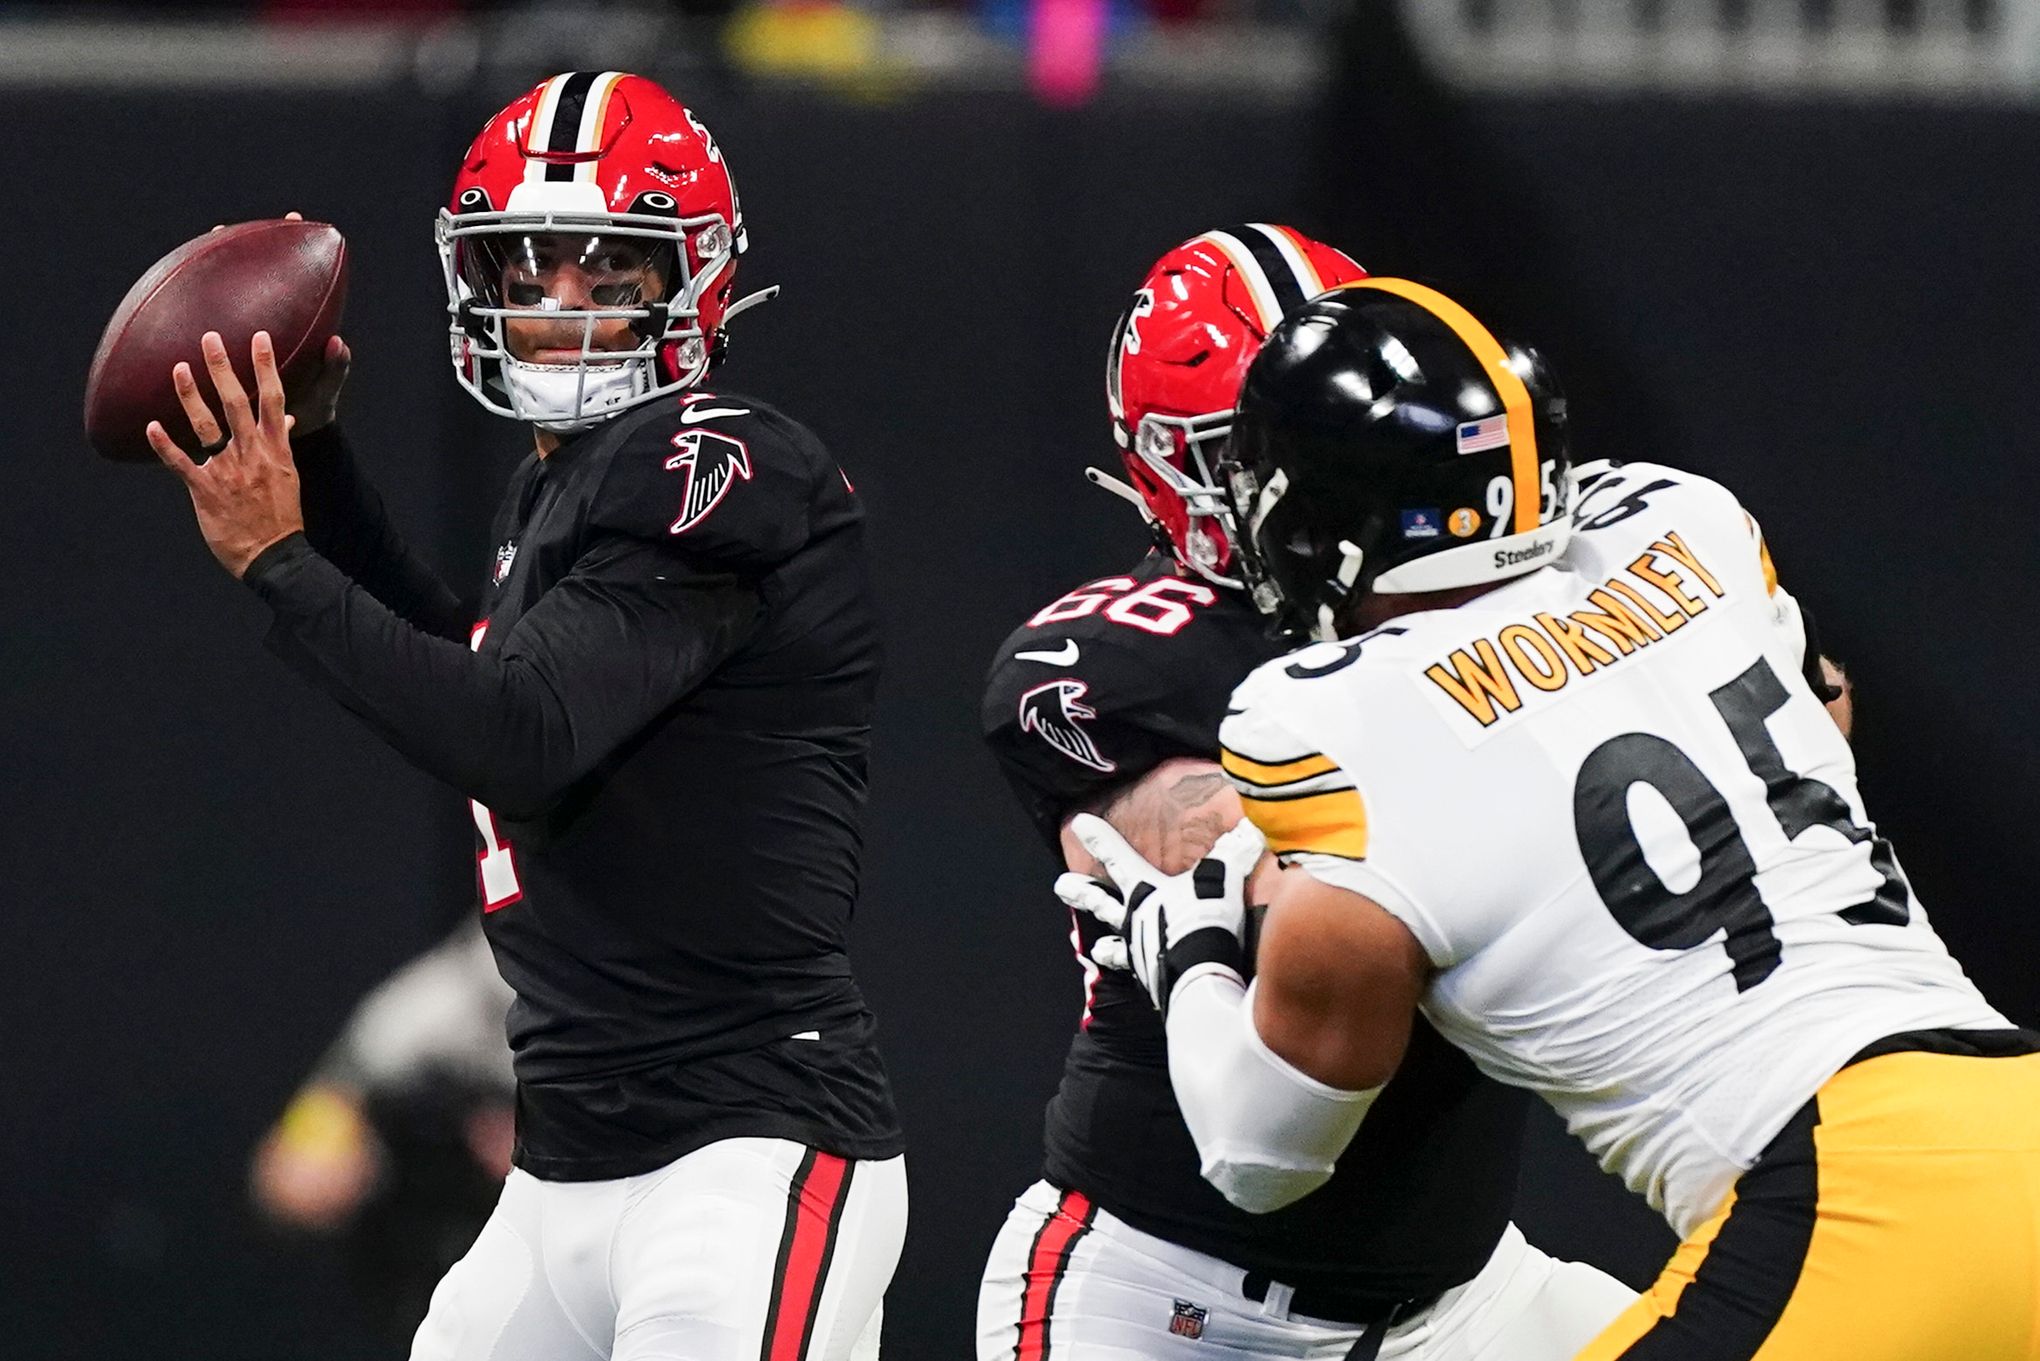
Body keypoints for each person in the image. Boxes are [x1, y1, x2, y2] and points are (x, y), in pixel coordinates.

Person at [1063, 279, 2039, 1360]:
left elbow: (1262, 1151)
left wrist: (1193, 951)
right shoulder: (1687, 522)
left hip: (1851, 1198)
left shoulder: (1326, 717)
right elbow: (1823, 707)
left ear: (1315, 518)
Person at [146, 71, 905, 1361]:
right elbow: (476, 674)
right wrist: (320, 478)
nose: (558, 311)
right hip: (563, 1162)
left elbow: (514, 730)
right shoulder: (564, 487)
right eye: (527, 270)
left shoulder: (719, 460)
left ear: (693, 282)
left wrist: (280, 563)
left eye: (605, 276)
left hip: (743, 1150)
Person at [978, 228, 1634, 1361]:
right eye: (1251, 444)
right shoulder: (1111, 657)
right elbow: (1265, 863)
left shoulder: (1485, 587)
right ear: (1170, 463)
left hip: (1465, 1293)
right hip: (1172, 1290)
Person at [250, 918, 515, 1344]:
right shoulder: (404, 1248)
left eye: (311, 1179)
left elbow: (340, 1086)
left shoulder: (381, 1055)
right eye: (319, 1205)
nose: (325, 1187)